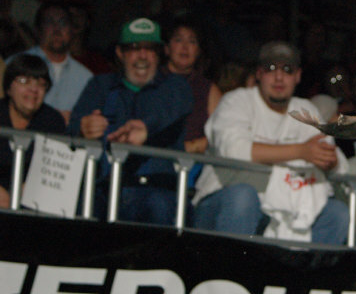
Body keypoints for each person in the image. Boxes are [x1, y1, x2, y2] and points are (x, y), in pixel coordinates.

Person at [196, 40, 349, 244]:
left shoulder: (305, 109)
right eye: (270, 68)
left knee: (337, 213)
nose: (279, 77)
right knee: (244, 197)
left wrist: (330, 160)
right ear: (259, 74)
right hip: (223, 200)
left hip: (284, 208)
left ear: (297, 76)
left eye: (287, 70)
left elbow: (339, 163)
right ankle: (231, 265)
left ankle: (300, 266)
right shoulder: (236, 101)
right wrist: (301, 151)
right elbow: (234, 150)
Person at [68, 18, 192, 225]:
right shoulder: (101, 85)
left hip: (157, 190)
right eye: (134, 48)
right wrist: (83, 129)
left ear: (159, 54)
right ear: (120, 53)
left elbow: (172, 108)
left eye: (150, 49)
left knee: (159, 207)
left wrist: (146, 128)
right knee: (79, 205)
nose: (142, 56)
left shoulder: (174, 86)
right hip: (104, 190)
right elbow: (71, 129)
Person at [8, 3, 93, 123]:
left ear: (71, 30)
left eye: (63, 23)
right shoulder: (15, 64)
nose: (57, 29)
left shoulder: (85, 77)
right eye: (49, 22)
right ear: (37, 29)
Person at [0, 55, 65, 208]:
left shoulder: (53, 121)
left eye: (41, 84)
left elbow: (55, 171)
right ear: (9, 88)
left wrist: (33, 188)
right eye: (24, 81)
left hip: (34, 203)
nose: (34, 89)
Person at [162, 15, 222, 154]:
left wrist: (192, 147)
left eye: (192, 41)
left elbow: (220, 134)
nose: (185, 47)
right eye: (178, 40)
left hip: (193, 160)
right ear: (167, 48)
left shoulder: (208, 90)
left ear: (198, 51)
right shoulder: (152, 80)